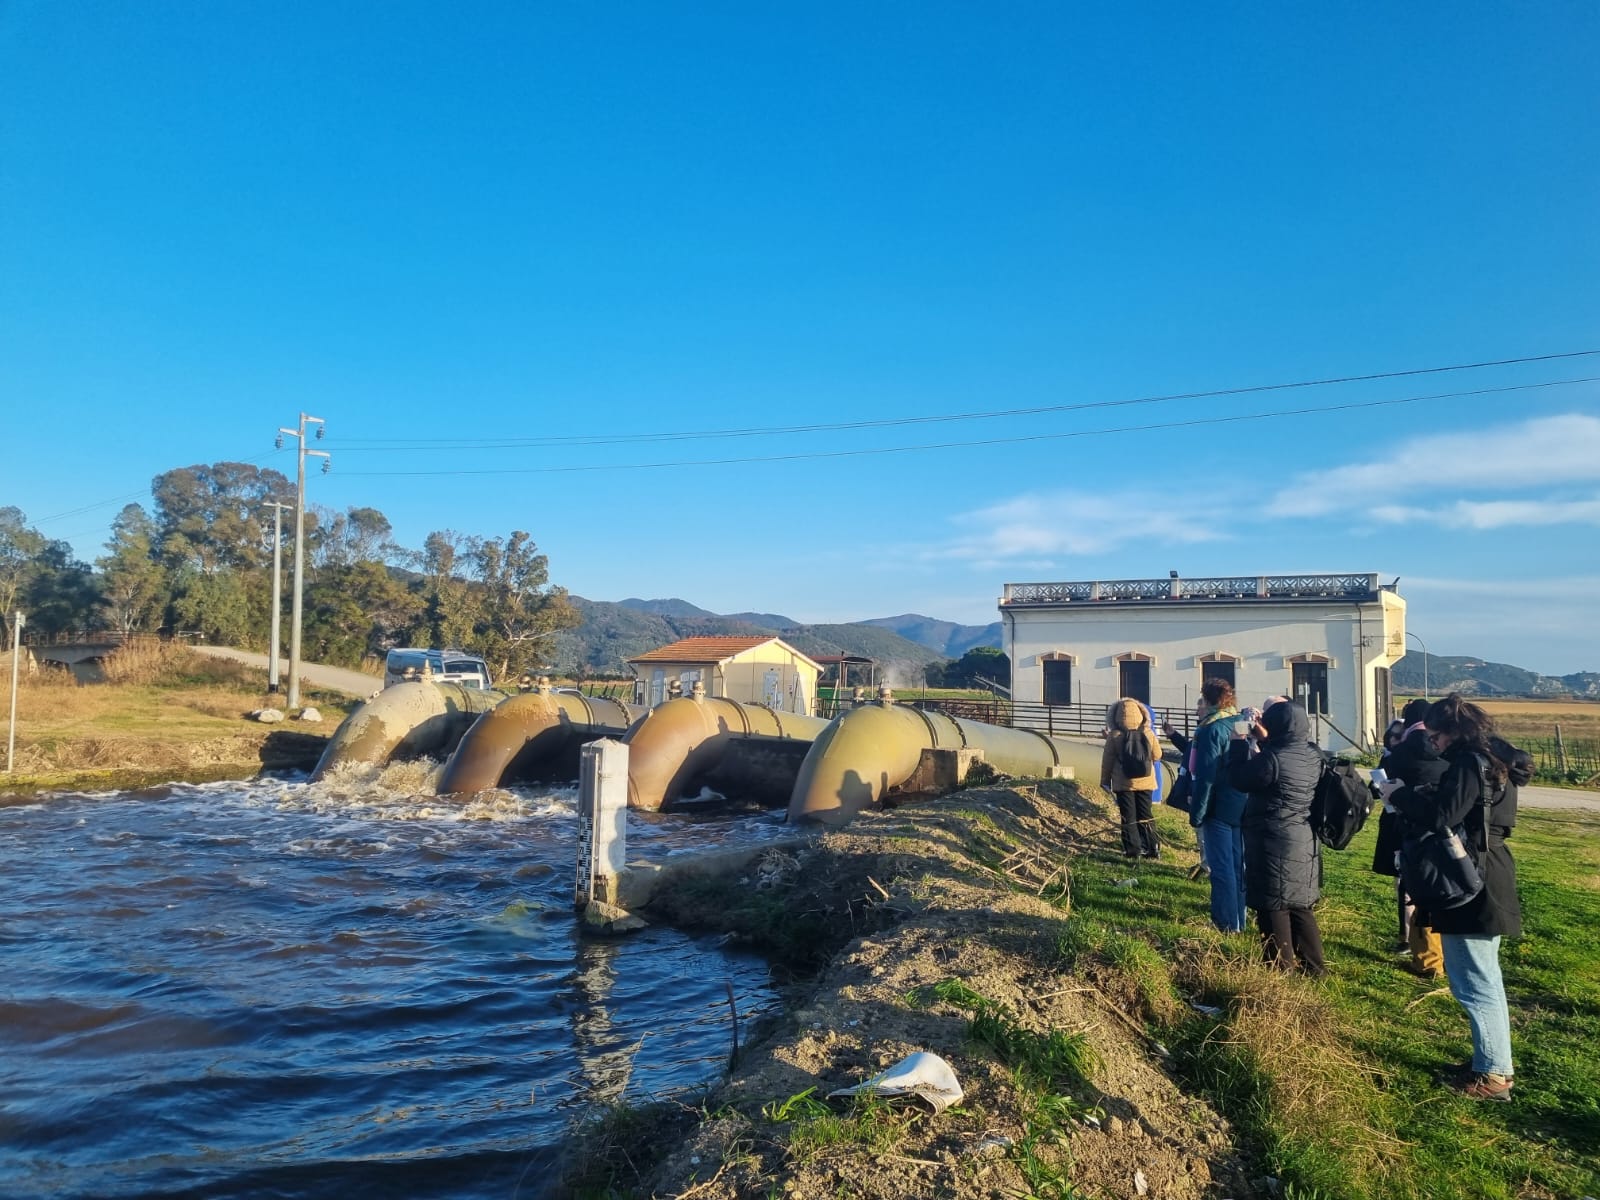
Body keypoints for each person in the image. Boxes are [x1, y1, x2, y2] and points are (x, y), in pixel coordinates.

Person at [1385, 693, 1532, 1102]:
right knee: (1485, 977)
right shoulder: (1497, 760)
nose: (1433, 744)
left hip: (1472, 874)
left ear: (1452, 732)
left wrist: (1398, 795)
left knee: (1474, 981)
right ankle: (1491, 1061)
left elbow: (1442, 816)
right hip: (1489, 868)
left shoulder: (1470, 763)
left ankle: (1493, 1075)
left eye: (1435, 737)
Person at [1226, 698, 1327, 977]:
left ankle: (1280, 970)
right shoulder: (1314, 754)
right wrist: (1267, 739)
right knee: (1299, 903)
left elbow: (1239, 778)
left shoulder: (1271, 759)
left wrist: (1237, 743)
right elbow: (1286, 754)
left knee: (1272, 904)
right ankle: (1315, 967)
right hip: (1303, 836)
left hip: (1272, 838)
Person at [1373, 698, 1448, 978]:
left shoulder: (1402, 751)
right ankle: (1443, 951)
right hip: (1444, 826)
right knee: (1442, 890)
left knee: (1413, 889)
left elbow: (1382, 786)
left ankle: (1424, 957)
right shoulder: (1446, 747)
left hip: (1409, 826)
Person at [1187, 678, 1248, 932]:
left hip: (1218, 806)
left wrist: (1197, 814)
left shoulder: (1211, 730)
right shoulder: (1240, 722)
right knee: (1237, 866)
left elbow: (1206, 777)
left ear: (1210, 700)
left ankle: (1225, 923)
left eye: (1202, 699)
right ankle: (1239, 920)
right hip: (1240, 803)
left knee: (1221, 868)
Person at [1101, 698, 1163, 858]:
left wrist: (1105, 781)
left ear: (1116, 716)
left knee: (1128, 816)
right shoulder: (1148, 733)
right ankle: (1153, 847)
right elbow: (1158, 755)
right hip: (1146, 781)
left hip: (1124, 783)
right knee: (1145, 814)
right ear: (1141, 713)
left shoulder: (1114, 735)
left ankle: (1133, 850)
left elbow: (1107, 761)